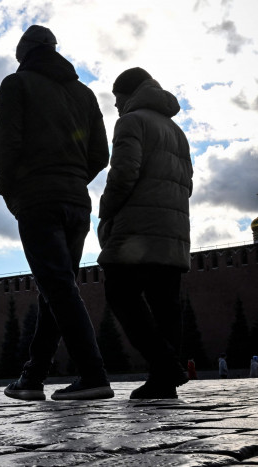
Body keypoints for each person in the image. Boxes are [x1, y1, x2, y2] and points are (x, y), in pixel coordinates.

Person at [0, 25, 112, 401]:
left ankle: (93, 375)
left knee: (57, 287)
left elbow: (6, 143)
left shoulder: (17, 84)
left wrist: (11, 192)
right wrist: (74, 178)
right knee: (57, 290)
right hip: (77, 202)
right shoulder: (85, 93)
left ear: (23, 54)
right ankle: (33, 377)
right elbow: (100, 156)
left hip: (38, 198)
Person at [98, 67, 193, 399]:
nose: (115, 106)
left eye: (116, 98)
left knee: (120, 293)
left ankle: (166, 366)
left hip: (137, 230)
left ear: (129, 93)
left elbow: (124, 173)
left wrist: (105, 209)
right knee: (166, 304)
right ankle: (163, 383)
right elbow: (188, 184)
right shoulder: (176, 130)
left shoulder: (131, 121)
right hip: (174, 230)